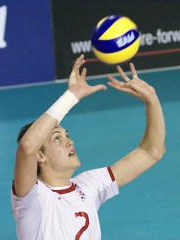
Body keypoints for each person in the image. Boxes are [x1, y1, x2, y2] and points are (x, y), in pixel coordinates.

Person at [11, 54, 166, 240]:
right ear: (40, 156)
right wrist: (71, 96)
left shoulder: (88, 185)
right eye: (57, 138)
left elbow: (152, 152)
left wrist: (152, 101)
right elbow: (27, 146)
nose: (70, 141)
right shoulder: (32, 199)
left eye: (67, 136)